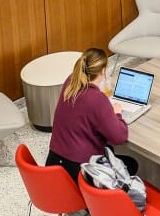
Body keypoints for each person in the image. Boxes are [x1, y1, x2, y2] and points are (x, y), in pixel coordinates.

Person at [45, 48, 138, 181]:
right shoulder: (97, 99)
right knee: (130, 164)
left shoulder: (70, 82)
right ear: (103, 71)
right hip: (79, 172)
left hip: (54, 162)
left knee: (109, 149)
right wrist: (116, 114)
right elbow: (119, 137)